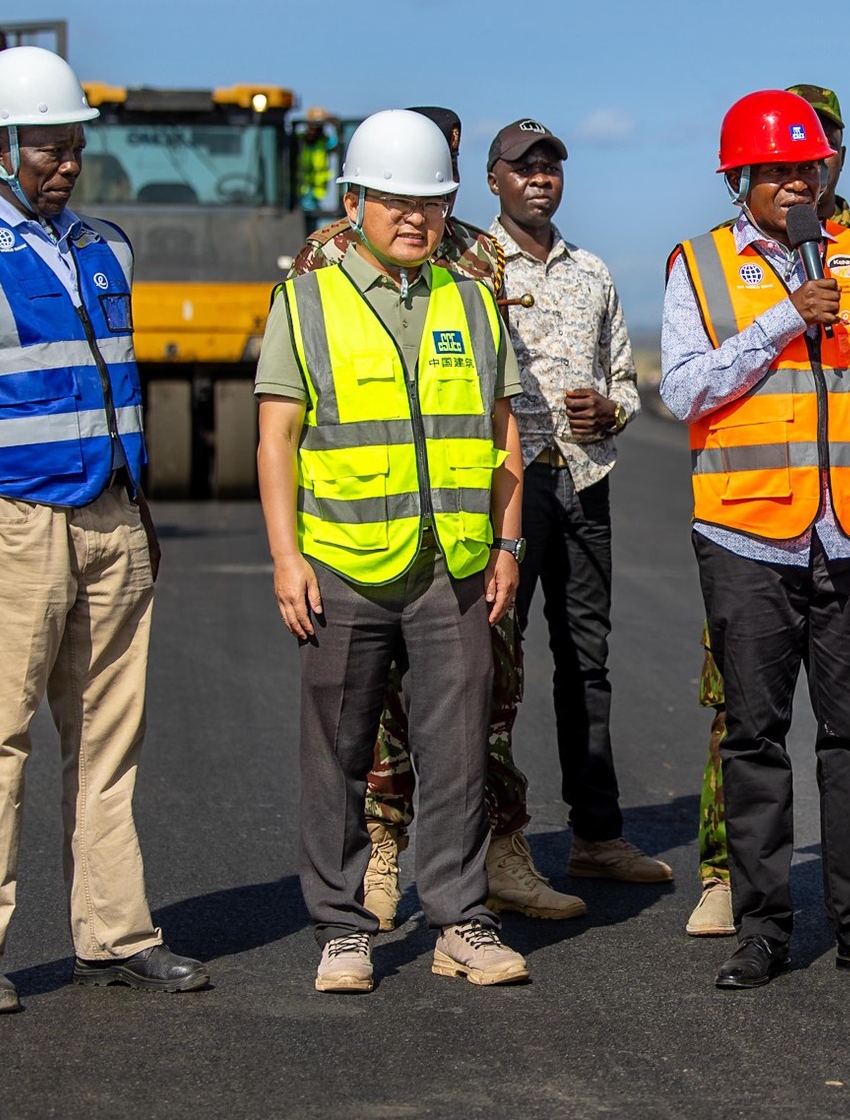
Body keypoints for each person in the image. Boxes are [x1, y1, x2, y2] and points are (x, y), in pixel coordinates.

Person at [0, 46, 206, 1013]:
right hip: (6, 527)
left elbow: (116, 392)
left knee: (110, 742)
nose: (66, 163)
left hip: (111, 524)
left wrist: (139, 514)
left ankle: (114, 937)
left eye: (73, 146)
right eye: (46, 148)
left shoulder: (107, 247)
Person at [661, 89, 850, 989]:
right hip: (748, 534)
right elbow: (683, 390)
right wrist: (785, 317)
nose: (796, 185)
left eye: (808, 169)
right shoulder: (699, 265)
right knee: (754, 737)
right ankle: (762, 929)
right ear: (740, 179)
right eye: (777, 171)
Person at [254, 109, 530, 992]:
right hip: (343, 565)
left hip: (453, 566)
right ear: (354, 203)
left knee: (458, 752)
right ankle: (343, 929)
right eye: (396, 201)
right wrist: (287, 558)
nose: (416, 218)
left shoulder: (471, 300)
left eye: (431, 203)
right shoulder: (306, 301)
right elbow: (276, 438)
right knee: (336, 753)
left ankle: (460, 920)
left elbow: (502, 430)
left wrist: (508, 542)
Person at [289, 111, 581, 927]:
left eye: (440, 172)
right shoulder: (325, 258)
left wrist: (505, 533)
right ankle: (381, 853)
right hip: (364, 536)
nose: (424, 196)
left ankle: (494, 857)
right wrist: (290, 548)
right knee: (370, 718)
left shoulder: (478, 262)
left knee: (484, 707)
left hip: (463, 524)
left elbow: (494, 396)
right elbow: (296, 408)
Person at [484, 118, 670, 885]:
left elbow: (626, 378)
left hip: (585, 483)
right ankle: (491, 845)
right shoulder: (473, 269)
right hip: (506, 489)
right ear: (493, 179)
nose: (539, 178)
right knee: (493, 665)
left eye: (550, 167)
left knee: (586, 664)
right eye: (523, 166)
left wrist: (611, 409)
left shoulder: (592, 273)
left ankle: (596, 835)